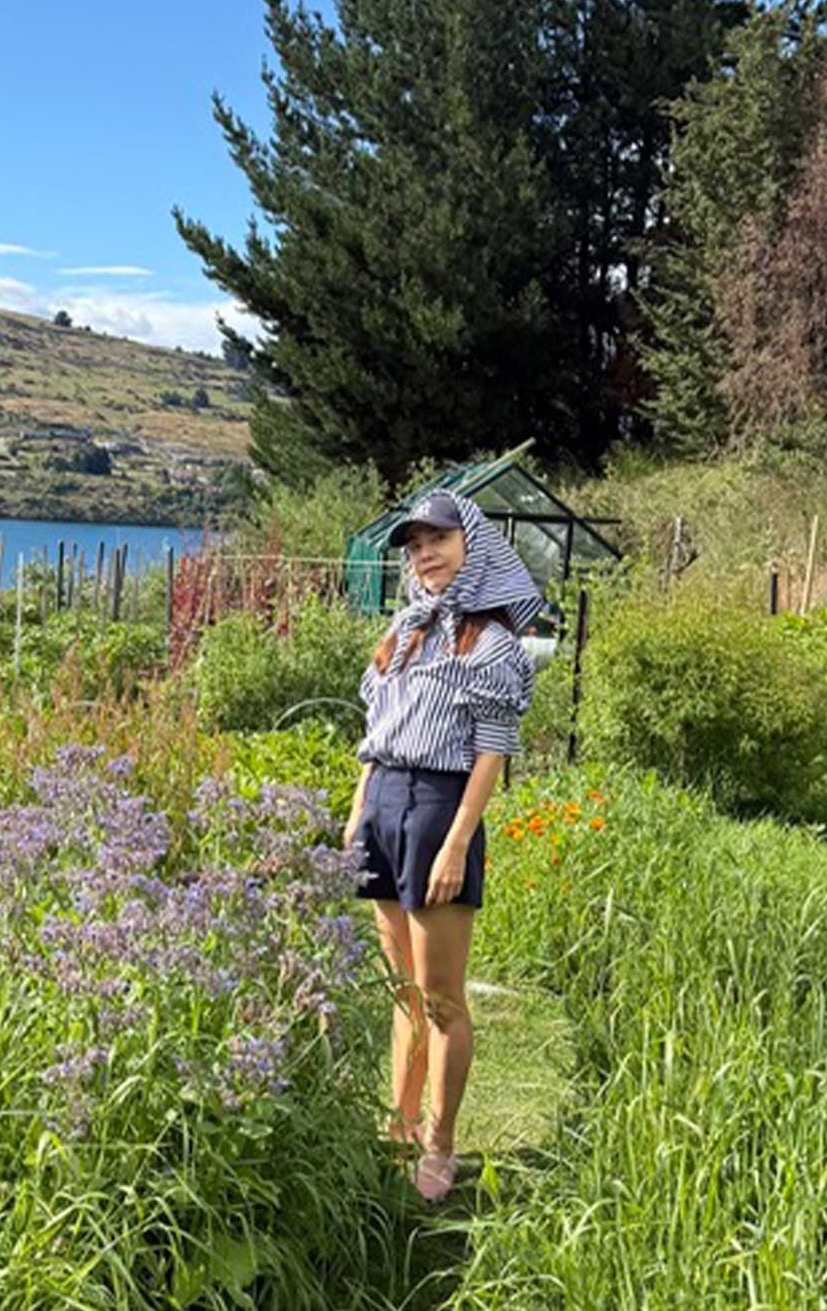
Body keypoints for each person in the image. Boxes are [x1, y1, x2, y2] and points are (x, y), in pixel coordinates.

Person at [343, 488, 544, 1202]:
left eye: (439, 540)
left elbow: (492, 753)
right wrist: (358, 813)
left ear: (472, 545)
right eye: (416, 545)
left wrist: (457, 843)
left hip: (439, 808)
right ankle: (398, 1125)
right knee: (401, 990)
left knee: (441, 999)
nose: (425, 554)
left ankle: (440, 1142)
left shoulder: (490, 644)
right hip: (386, 803)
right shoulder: (404, 632)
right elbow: (377, 734)